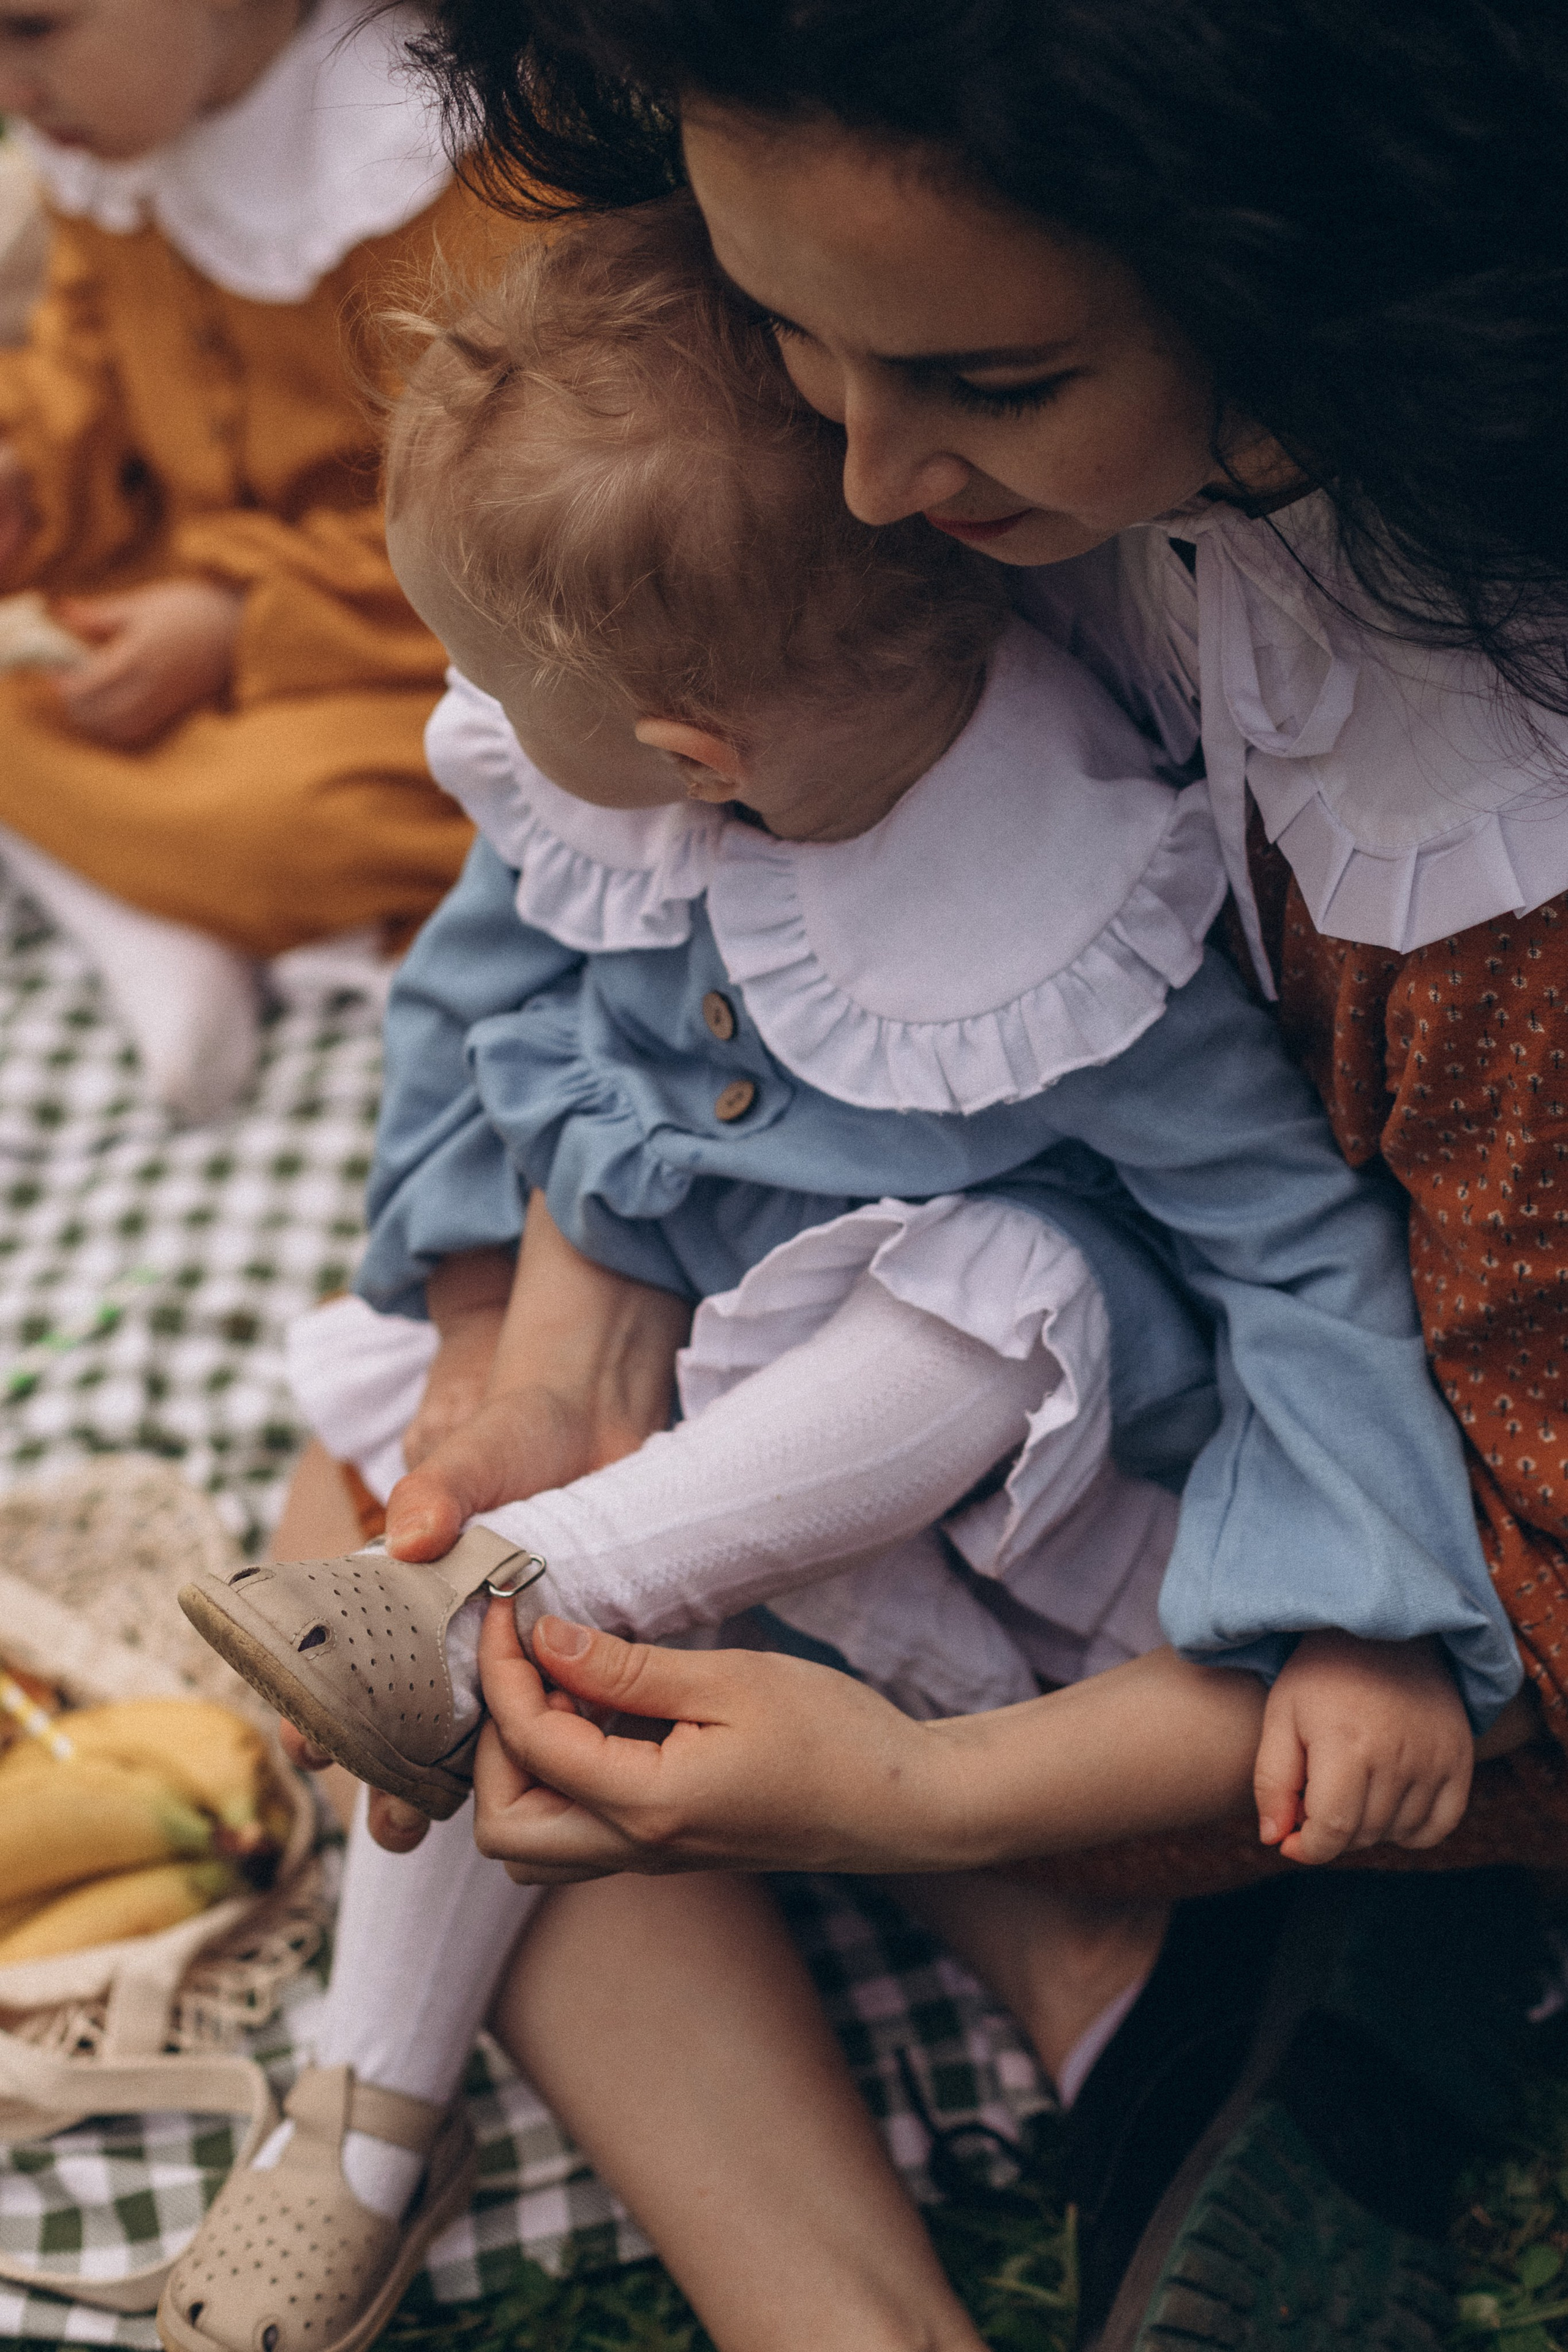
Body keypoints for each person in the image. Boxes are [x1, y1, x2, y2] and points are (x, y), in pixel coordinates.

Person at [170, 197, 1526, 2352]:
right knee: (370, 1493)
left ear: (694, 740)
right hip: (694, 1412)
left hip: (970, 1485)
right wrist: (471, 1334)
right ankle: (364, 2110)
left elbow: (1298, 1254)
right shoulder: (614, 792)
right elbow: (470, 995)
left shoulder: (1069, 889)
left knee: (997, 1274)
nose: (483, 736)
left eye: (511, 691)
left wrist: (1365, 1620)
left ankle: (532, 1579)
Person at [0, 0, 498, 1116]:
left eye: (33, 31)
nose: (8, 91)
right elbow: (85, 367)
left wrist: (236, 618)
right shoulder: (107, 151)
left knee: (305, 817)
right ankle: (153, 907)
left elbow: (496, 515)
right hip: (174, 583)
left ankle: (151, 899)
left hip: (415, 647)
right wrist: (30, 468)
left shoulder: (428, 162)